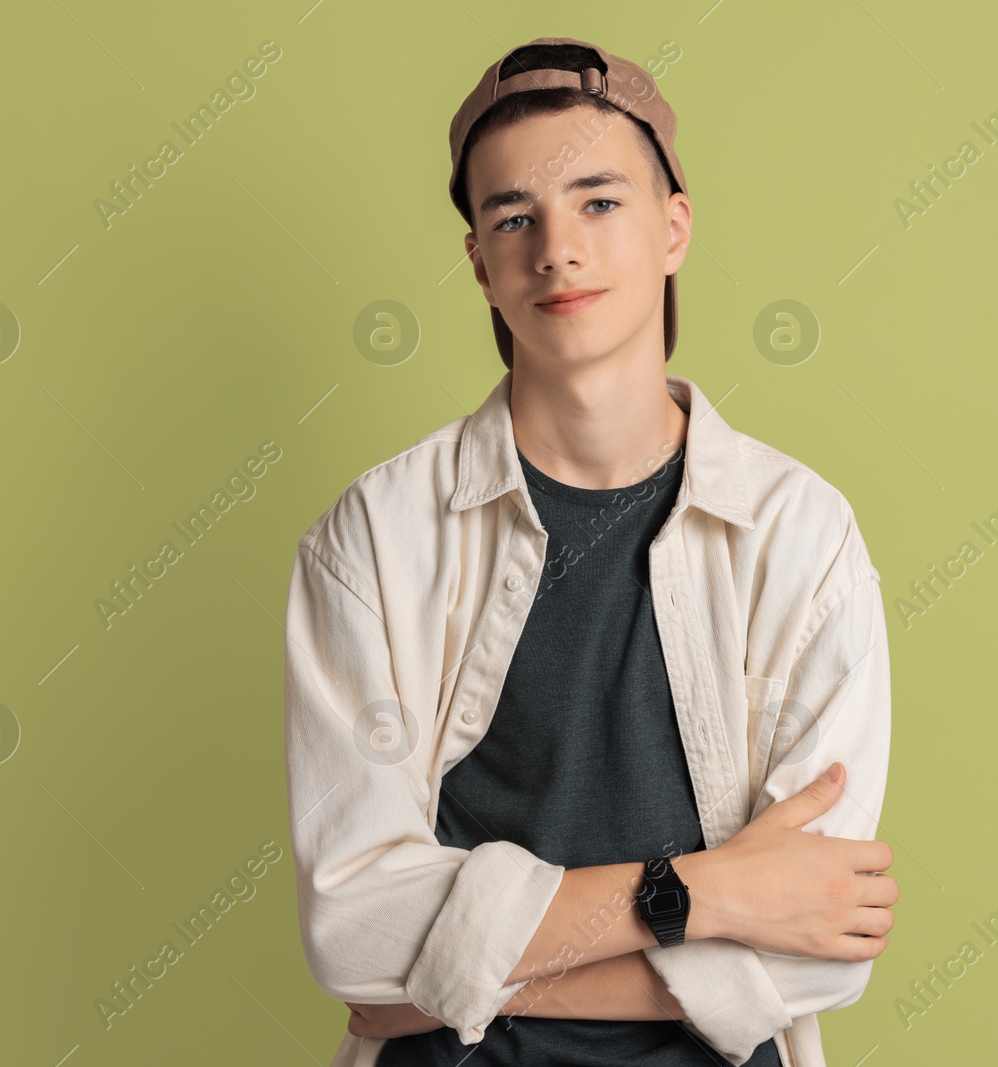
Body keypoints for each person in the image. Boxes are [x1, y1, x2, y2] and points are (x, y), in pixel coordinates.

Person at [282, 36, 896, 1067]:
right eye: (512, 216)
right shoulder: (375, 537)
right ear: (479, 261)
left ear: (673, 228)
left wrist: (444, 982)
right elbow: (352, 931)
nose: (555, 248)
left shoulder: (802, 535)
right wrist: (695, 893)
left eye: (599, 202)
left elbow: (824, 947)